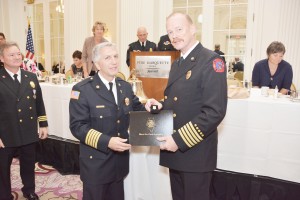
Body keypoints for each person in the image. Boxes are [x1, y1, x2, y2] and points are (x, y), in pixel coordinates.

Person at [69, 42, 161, 200]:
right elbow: (77, 127)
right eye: (108, 57)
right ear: (97, 64)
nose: (114, 61)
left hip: (119, 162)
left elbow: (136, 109)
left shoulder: (124, 86)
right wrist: (107, 141)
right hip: (96, 164)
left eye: (116, 56)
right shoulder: (82, 90)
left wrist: (150, 106)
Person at [155, 12, 228, 200]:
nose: (174, 36)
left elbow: (214, 112)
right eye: (170, 32)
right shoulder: (178, 63)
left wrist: (178, 140)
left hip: (195, 152)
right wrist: (160, 106)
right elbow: (180, 100)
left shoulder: (212, 61)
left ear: (193, 29)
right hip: (176, 151)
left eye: (179, 29)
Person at [0, 42, 48, 200]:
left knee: (28, 164)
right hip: (6, 132)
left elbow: (39, 102)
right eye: (11, 55)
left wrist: (43, 124)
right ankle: (4, 194)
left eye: (18, 54)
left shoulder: (31, 77)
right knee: (3, 168)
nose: (16, 57)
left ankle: (29, 190)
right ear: (2, 58)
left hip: (28, 130)